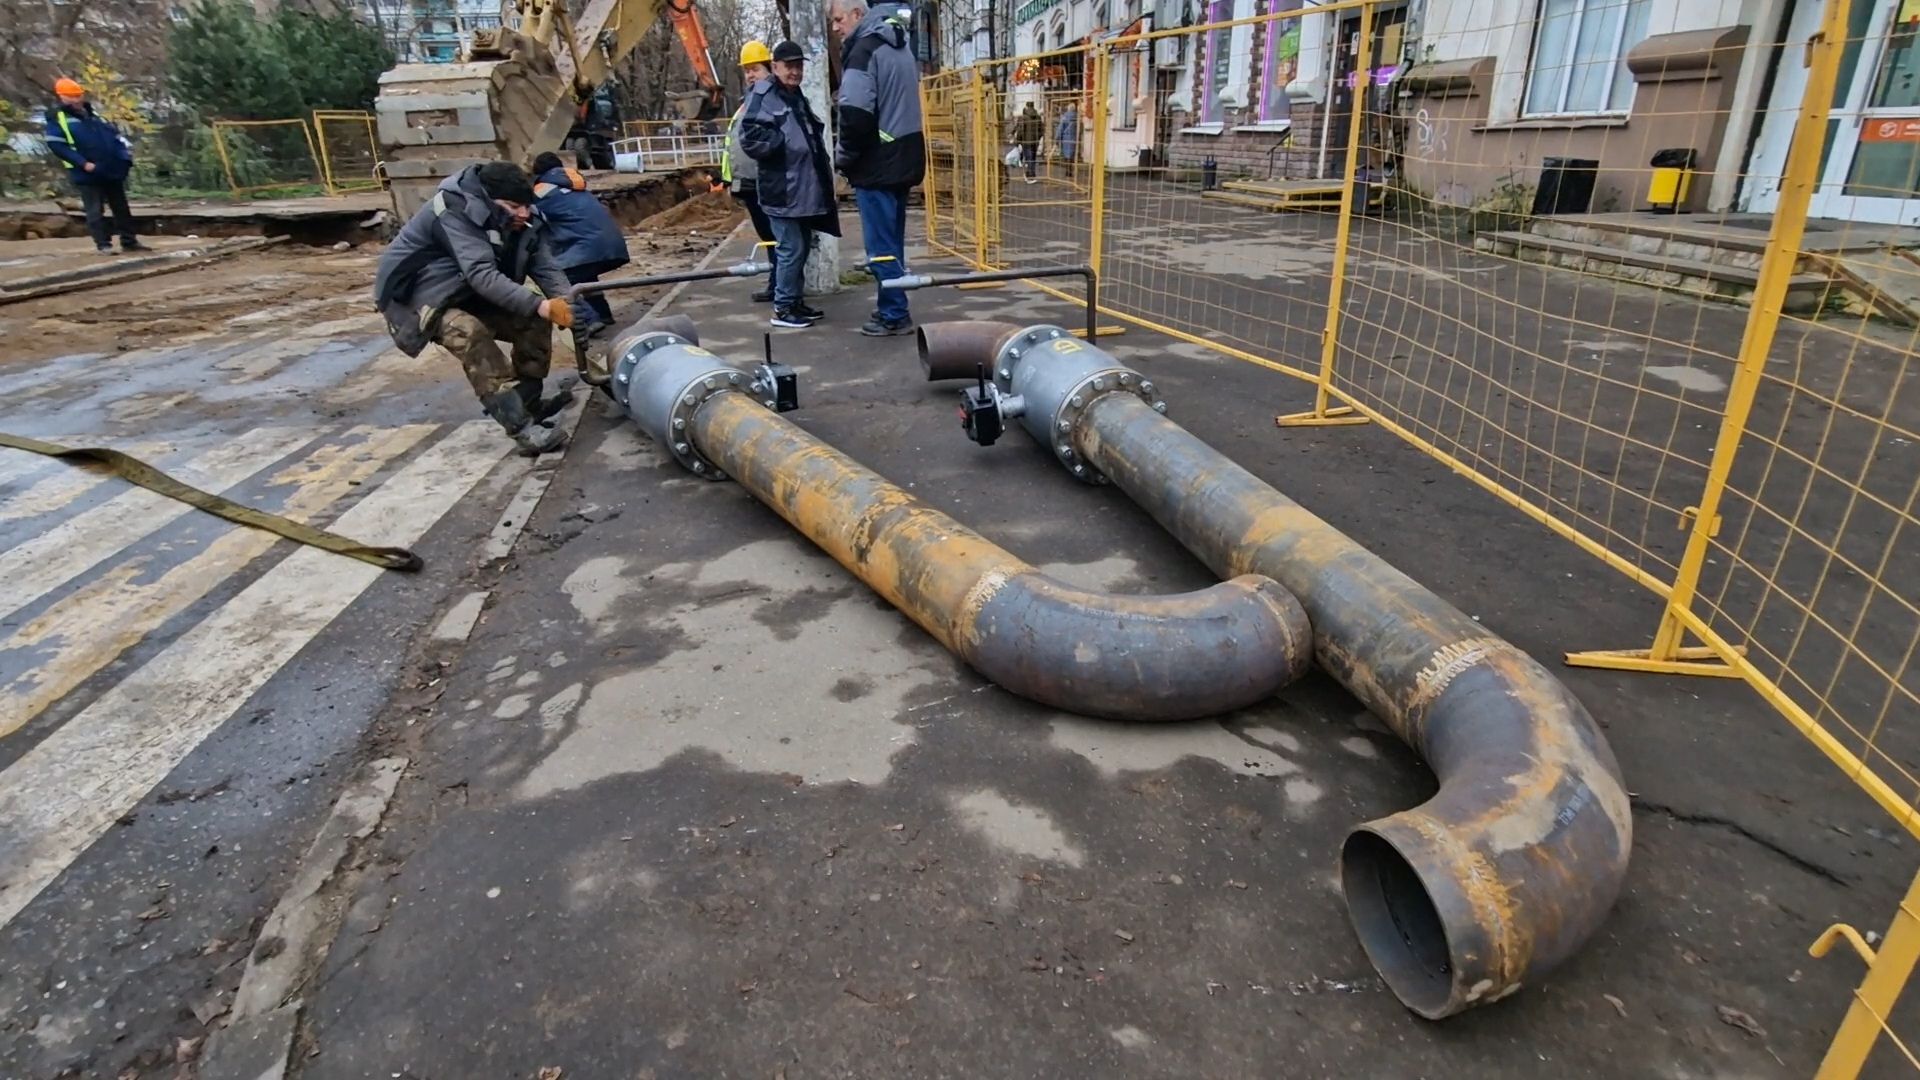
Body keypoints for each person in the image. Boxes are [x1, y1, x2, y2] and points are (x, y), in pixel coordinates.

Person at [373, 161, 576, 456]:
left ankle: (529, 404)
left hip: (464, 290)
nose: (523, 214)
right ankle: (520, 428)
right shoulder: (455, 210)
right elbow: (481, 274)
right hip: (420, 297)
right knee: (470, 334)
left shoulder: (523, 217)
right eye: (512, 206)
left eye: (526, 205)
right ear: (489, 200)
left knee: (533, 319)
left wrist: (567, 302)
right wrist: (541, 304)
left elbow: (544, 265)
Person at [831, 0, 924, 337]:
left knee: (880, 248)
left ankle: (894, 313)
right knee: (892, 242)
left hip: (876, 163)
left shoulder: (863, 51)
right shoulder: (900, 47)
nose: (836, 27)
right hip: (903, 156)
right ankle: (893, 306)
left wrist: (843, 158)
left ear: (858, 15)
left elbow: (854, 116)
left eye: (839, 19)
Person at [739, 40, 838, 330]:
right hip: (782, 189)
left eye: (798, 66)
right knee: (790, 249)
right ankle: (783, 308)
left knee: (801, 247)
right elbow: (751, 137)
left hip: (801, 189)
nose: (795, 71)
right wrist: (782, 146)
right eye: (789, 66)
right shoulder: (766, 93)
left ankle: (794, 301)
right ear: (776, 66)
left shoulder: (793, 95)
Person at [530, 149, 630, 358]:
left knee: (561, 279)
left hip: (586, 247)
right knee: (584, 275)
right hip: (612, 244)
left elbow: (531, 219)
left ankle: (590, 320)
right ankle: (603, 314)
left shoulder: (540, 191)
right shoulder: (574, 185)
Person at [42, 77, 144, 256]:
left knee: (121, 207)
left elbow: (113, 137)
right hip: (87, 172)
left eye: (78, 95)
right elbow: (58, 146)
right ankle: (103, 244)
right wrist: (83, 163)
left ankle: (129, 241)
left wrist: (124, 157)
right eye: (72, 97)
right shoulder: (57, 119)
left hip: (110, 168)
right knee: (95, 209)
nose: (77, 100)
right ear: (62, 97)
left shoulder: (93, 115)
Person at [720, 40, 779, 304]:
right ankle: (777, 284)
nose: (750, 75)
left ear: (769, 68)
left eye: (755, 69)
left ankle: (780, 286)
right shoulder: (750, 101)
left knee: (774, 238)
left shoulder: (770, 99)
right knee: (768, 238)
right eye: (747, 70)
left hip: (764, 181)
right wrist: (727, 177)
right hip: (749, 182)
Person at [1013, 102, 1043, 185]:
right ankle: (1032, 174)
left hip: (1026, 141)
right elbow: (1041, 130)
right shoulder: (1038, 117)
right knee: (1033, 158)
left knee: (1028, 158)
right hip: (1035, 141)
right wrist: (1038, 138)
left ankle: (1030, 176)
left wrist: (1018, 142)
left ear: (1026, 107)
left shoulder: (1024, 118)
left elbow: (1021, 131)